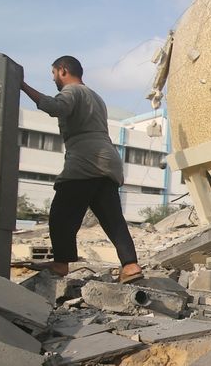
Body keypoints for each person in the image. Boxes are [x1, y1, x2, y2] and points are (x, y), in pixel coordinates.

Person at [20, 56, 144, 284]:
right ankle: (130, 264)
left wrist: (23, 86)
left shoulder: (73, 92)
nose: (54, 79)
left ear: (63, 70)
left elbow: (54, 107)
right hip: (108, 158)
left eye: (54, 74)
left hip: (87, 157)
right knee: (112, 218)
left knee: (61, 212)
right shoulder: (96, 96)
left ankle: (60, 263)